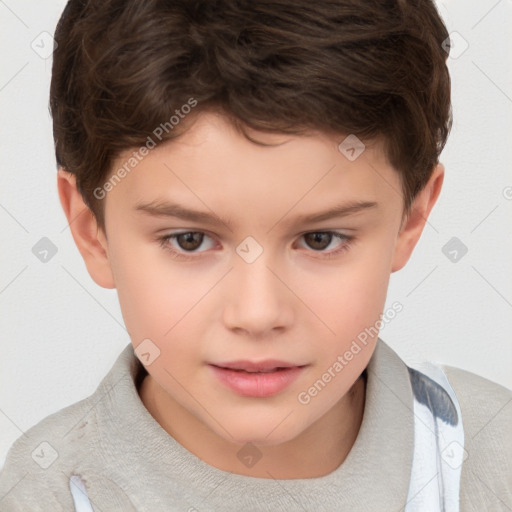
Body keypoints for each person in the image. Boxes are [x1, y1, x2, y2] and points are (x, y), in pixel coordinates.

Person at [0, 0, 510, 510]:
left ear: (411, 219)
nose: (258, 313)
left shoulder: (490, 455)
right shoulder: (45, 492)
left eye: (320, 239)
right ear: (93, 233)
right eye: (190, 240)